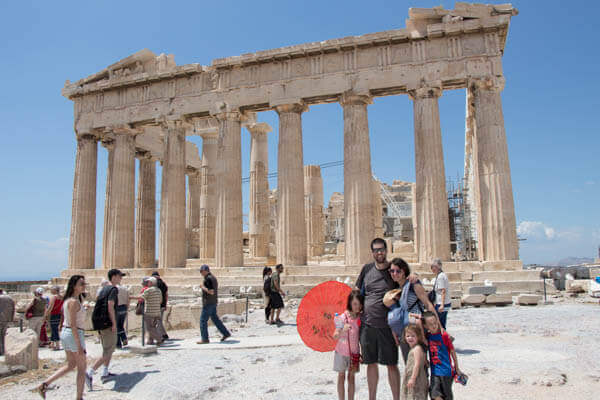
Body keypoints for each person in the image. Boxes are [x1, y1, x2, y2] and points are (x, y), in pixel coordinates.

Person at [354, 238, 401, 400]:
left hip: (388, 326)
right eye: (376, 250)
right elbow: (357, 291)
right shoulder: (366, 269)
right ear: (372, 252)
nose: (379, 252)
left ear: (386, 250)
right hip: (368, 324)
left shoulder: (394, 269)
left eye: (381, 249)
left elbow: (405, 282)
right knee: (370, 363)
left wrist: (414, 276)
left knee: (391, 364)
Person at [35, 275, 88, 400]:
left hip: (65, 333)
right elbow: (73, 324)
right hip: (74, 334)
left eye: (84, 283)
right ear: (74, 286)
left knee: (71, 365)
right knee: (82, 368)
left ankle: (44, 384)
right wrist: (79, 345)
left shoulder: (68, 300)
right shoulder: (74, 302)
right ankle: (79, 397)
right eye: (81, 283)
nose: (84, 285)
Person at [86, 269, 125, 389]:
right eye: (119, 276)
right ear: (113, 277)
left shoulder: (103, 289)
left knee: (107, 349)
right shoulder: (113, 289)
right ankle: (89, 372)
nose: (121, 278)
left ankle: (105, 372)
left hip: (100, 322)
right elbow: (110, 306)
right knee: (109, 350)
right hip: (108, 323)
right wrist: (114, 323)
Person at [422, 312, 464, 400]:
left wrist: (457, 367)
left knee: (447, 395)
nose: (434, 326)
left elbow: (452, 351)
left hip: (446, 372)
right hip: (435, 372)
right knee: (434, 393)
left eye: (435, 323)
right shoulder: (428, 337)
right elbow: (419, 322)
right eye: (430, 324)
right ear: (425, 326)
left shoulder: (444, 335)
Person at [332, 291, 363, 400]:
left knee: (351, 378)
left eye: (359, 304)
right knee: (341, 376)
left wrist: (362, 353)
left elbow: (361, 338)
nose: (357, 307)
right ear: (350, 303)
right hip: (341, 352)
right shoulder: (342, 317)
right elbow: (335, 336)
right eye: (355, 304)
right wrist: (342, 330)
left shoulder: (361, 318)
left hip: (354, 353)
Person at [197, 265, 231, 344]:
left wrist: (202, 287)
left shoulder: (208, 279)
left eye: (201, 271)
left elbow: (211, 291)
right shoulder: (213, 278)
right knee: (215, 319)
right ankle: (226, 333)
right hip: (213, 302)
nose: (201, 273)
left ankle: (205, 339)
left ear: (206, 271)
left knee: (202, 321)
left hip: (208, 303)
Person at [399, 324, 429, 400]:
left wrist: (413, 378)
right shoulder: (413, 348)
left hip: (416, 377)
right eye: (408, 336)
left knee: (415, 396)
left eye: (413, 336)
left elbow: (417, 364)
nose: (410, 338)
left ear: (418, 337)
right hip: (411, 375)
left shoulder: (417, 349)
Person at [135, 277, 164, 345]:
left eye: (148, 282)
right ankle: (150, 341)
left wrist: (130, 297)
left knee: (149, 328)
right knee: (153, 327)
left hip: (149, 312)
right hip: (157, 312)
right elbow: (160, 301)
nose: (147, 283)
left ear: (151, 283)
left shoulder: (149, 290)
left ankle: (160, 338)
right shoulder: (158, 290)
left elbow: (141, 298)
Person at [430, 259, 451, 330]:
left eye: (433, 267)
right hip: (444, 303)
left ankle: (444, 339)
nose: (432, 269)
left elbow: (443, 291)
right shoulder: (442, 275)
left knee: (439, 324)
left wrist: (442, 305)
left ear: (438, 267)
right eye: (431, 267)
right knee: (442, 323)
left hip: (442, 304)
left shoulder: (440, 277)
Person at [151, 271, 169, 340]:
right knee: (159, 320)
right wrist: (165, 304)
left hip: (156, 305)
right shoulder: (164, 284)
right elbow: (166, 295)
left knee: (157, 321)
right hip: (162, 304)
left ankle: (159, 337)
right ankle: (164, 334)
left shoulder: (155, 285)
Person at [44, 286, 64, 351]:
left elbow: (50, 307)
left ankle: (57, 345)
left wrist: (45, 315)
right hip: (59, 315)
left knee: (54, 329)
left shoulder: (53, 297)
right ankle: (52, 344)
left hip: (53, 315)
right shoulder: (62, 297)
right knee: (54, 329)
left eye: (52, 290)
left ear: (55, 290)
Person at [0, 289, 15, 356]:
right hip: (7, 319)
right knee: (5, 336)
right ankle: (5, 350)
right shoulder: (9, 298)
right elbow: (13, 309)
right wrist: (11, 319)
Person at [116, 283, 130, 348]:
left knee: (116, 326)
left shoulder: (114, 288)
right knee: (121, 325)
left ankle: (118, 343)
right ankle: (124, 338)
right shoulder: (125, 288)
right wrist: (127, 308)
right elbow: (128, 299)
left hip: (117, 308)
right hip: (124, 307)